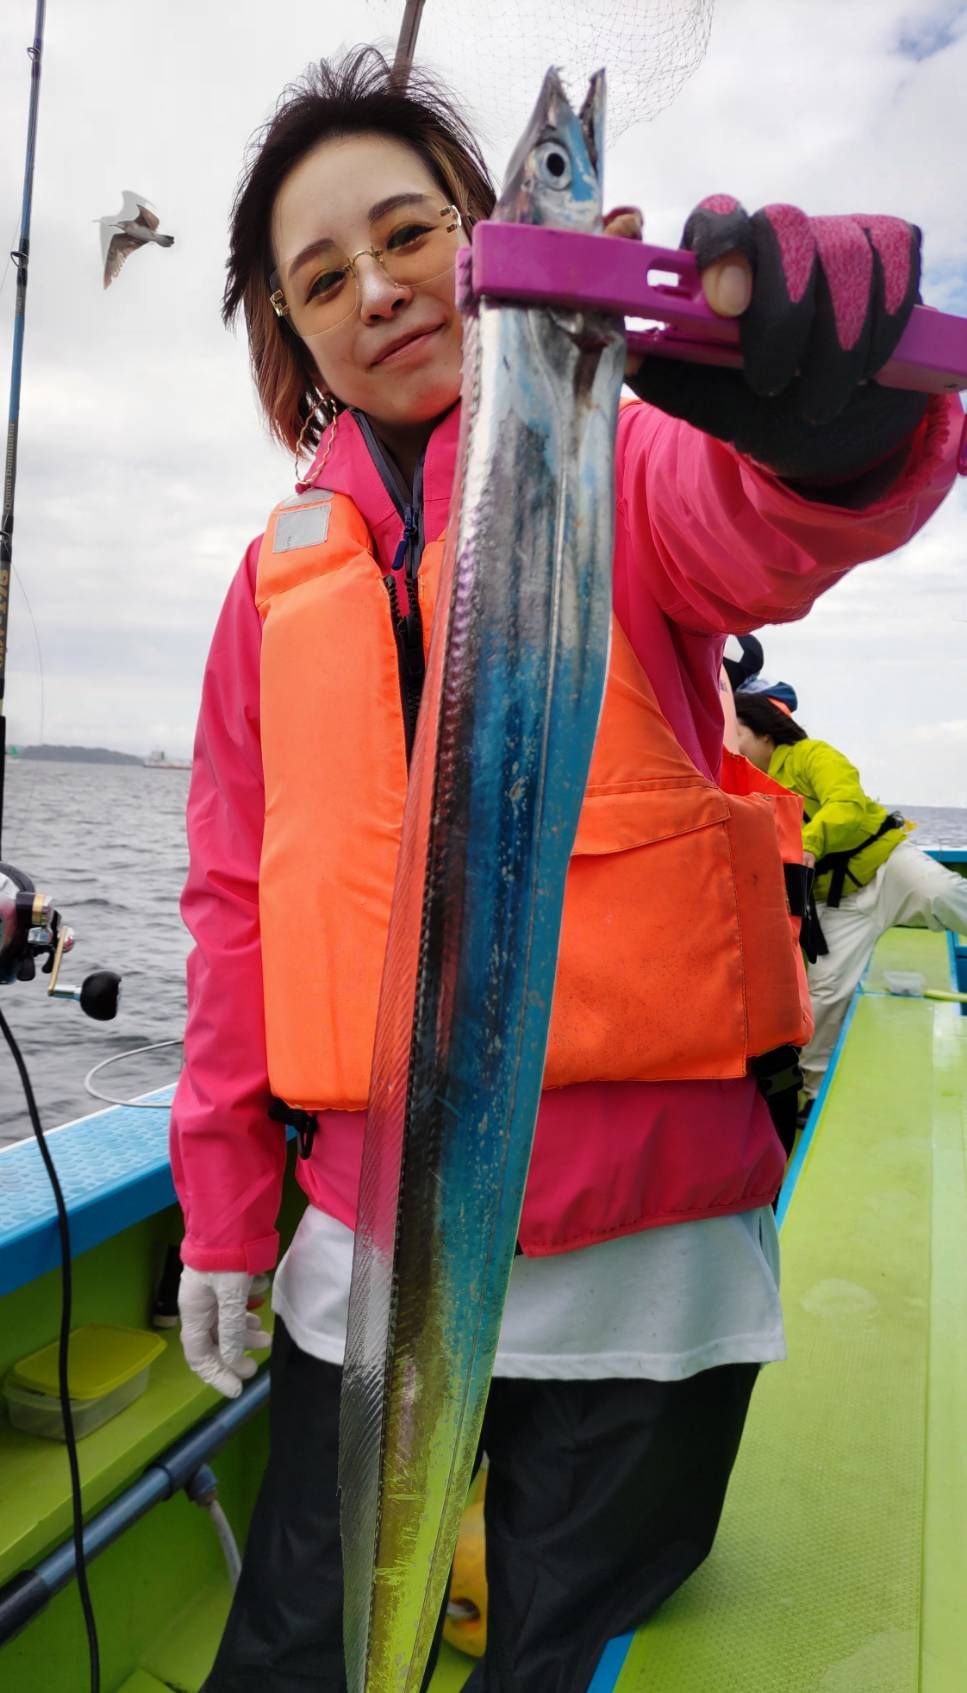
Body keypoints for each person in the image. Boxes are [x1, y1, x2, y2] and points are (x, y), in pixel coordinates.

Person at [170, 47, 962, 1693]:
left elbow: (769, 515)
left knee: (558, 1652)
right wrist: (226, 1221)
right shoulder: (271, 587)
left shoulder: (627, 457)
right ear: (289, 330)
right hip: (367, 1262)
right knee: (306, 1642)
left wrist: (831, 418)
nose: (378, 289)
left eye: (410, 233)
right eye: (322, 276)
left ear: (494, 242)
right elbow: (235, 912)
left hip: (644, 1269)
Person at [733, 691, 967, 1102]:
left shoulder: (812, 755)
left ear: (765, 733)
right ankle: (812, 1096)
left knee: (945, 892)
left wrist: (808, 843)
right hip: (835, 903)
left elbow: (847, 803)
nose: (733, 748)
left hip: (886, 867)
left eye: (737, 734)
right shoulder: (741, 787)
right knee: (824, 995)